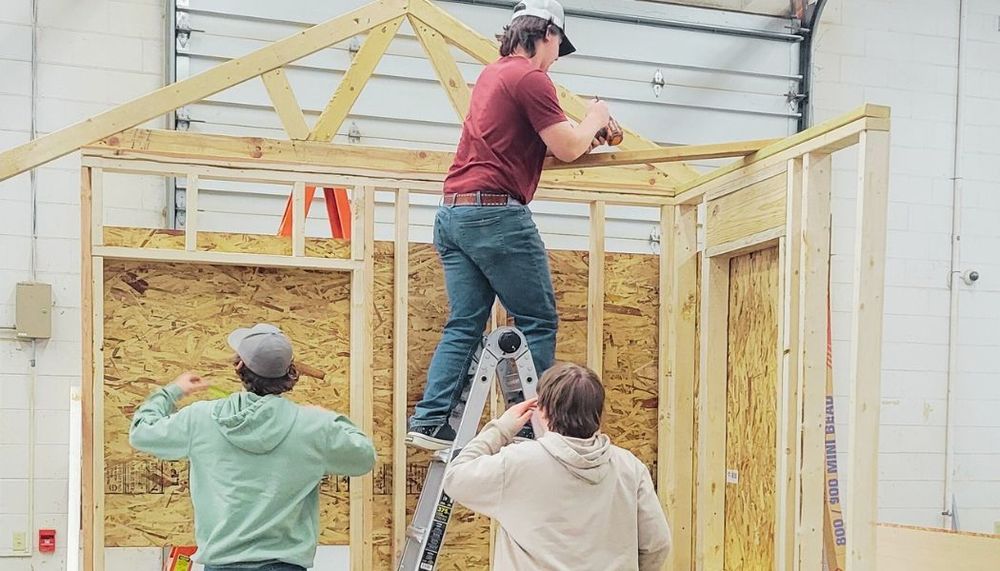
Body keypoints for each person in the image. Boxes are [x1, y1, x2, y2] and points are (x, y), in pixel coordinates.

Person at [406, 0, 614, 451]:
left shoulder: (493, 75)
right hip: (496, 215)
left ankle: (430, 419)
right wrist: (594, 118)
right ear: (545, 34)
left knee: (464, 322)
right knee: (537, 320)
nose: (558, 54)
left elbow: (546, 146)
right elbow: (568, 145)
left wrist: (583, 137)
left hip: (454, 214)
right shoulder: (531, 77)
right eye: (559, 43)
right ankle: (530, 426)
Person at [129, 323, 376, 571]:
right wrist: (329, 417)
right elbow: (364, 457)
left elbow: (141, 432)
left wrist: (173, 391)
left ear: (239, 366)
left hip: (221, 565)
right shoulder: (313, 426)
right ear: (290, 373)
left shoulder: (200, 418)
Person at [443, 362, 672, 570]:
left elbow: (455, 478)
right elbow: (657, 544)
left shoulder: (517, 463)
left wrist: (501, 428)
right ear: (598, 414)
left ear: (544, 410)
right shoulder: (629, 467)